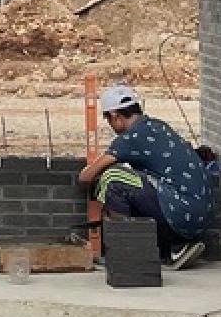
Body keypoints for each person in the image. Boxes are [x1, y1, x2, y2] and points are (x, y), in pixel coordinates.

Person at [79, 80, 211, 268]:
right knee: (138, 181)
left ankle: (126, 252)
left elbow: (85, 177)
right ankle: (173, 248)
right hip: (199, 217)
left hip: (181, 215)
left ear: (115, 116)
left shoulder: (130, 138)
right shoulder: (158, 126)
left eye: (108, 119)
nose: (110, 125)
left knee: (113, 179)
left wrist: (92, 174)